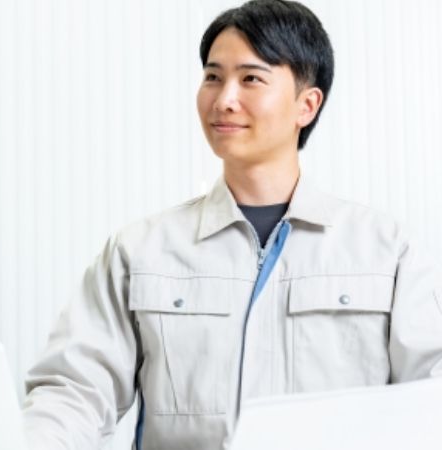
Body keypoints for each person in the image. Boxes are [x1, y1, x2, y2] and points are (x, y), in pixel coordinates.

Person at [22, 1, 442, 449]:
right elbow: (74, 393)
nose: (224, 100)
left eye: (251, 78)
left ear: (306, 104)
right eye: (212, 77)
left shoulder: (387, 251)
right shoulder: (141, 251)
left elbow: (430, 400)